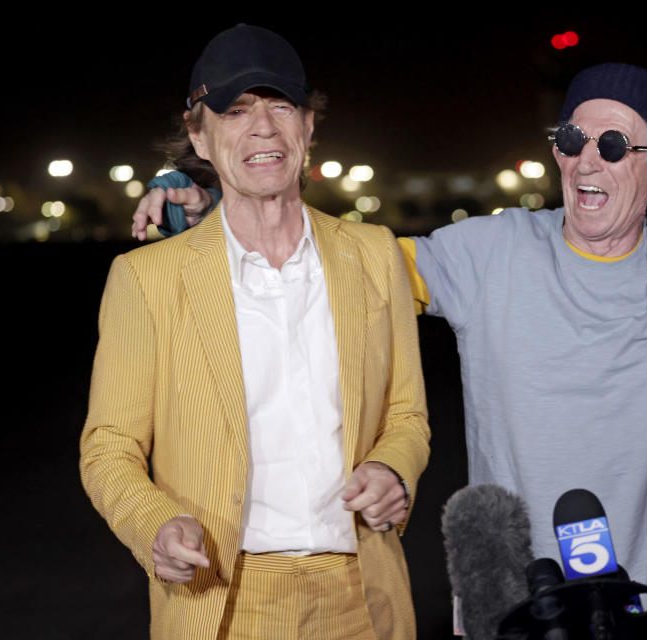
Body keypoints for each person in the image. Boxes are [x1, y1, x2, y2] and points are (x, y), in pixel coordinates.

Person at [132, 63, 647, 587]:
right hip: (511, 594)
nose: (586, 159)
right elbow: (328, 266)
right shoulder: (489, 252)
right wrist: (213, 193)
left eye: (614, 147)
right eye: (571, 139)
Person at [81, 24, 429, 639]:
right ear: (199, 136)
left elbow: (406, 415)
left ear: (308, 127)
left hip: (363, 596)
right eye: (235, 110)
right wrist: (155, 525)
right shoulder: (145, 279)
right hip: (220, 598)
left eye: (281, 106)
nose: (263, 127)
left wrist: (394, 470)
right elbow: (109, 447)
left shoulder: (374, 255)